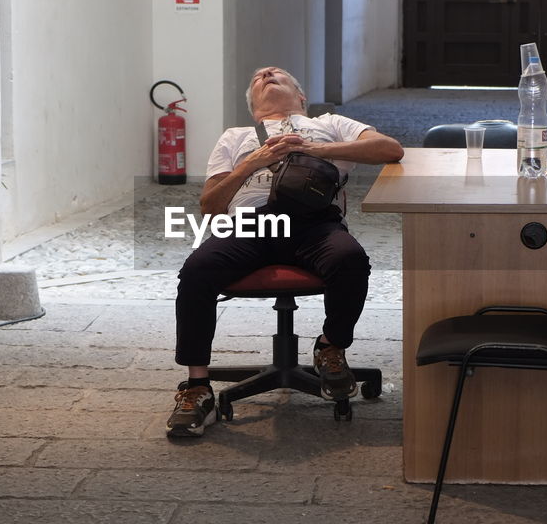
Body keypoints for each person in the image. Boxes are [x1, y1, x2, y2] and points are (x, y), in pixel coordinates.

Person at [167, 66, 404, 437]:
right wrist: (252, 163)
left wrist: (315, 148)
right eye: (258, 77)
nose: (266, 72)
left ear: (301, 96)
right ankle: (197, 386)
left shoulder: (331, 123)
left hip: (314, 222)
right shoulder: (236, 136)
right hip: (250, 224)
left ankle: (330, 346)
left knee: (350, 261)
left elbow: (390, 149)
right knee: (197, 271)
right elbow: (210, 206)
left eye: (278, 74)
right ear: (253, 107)